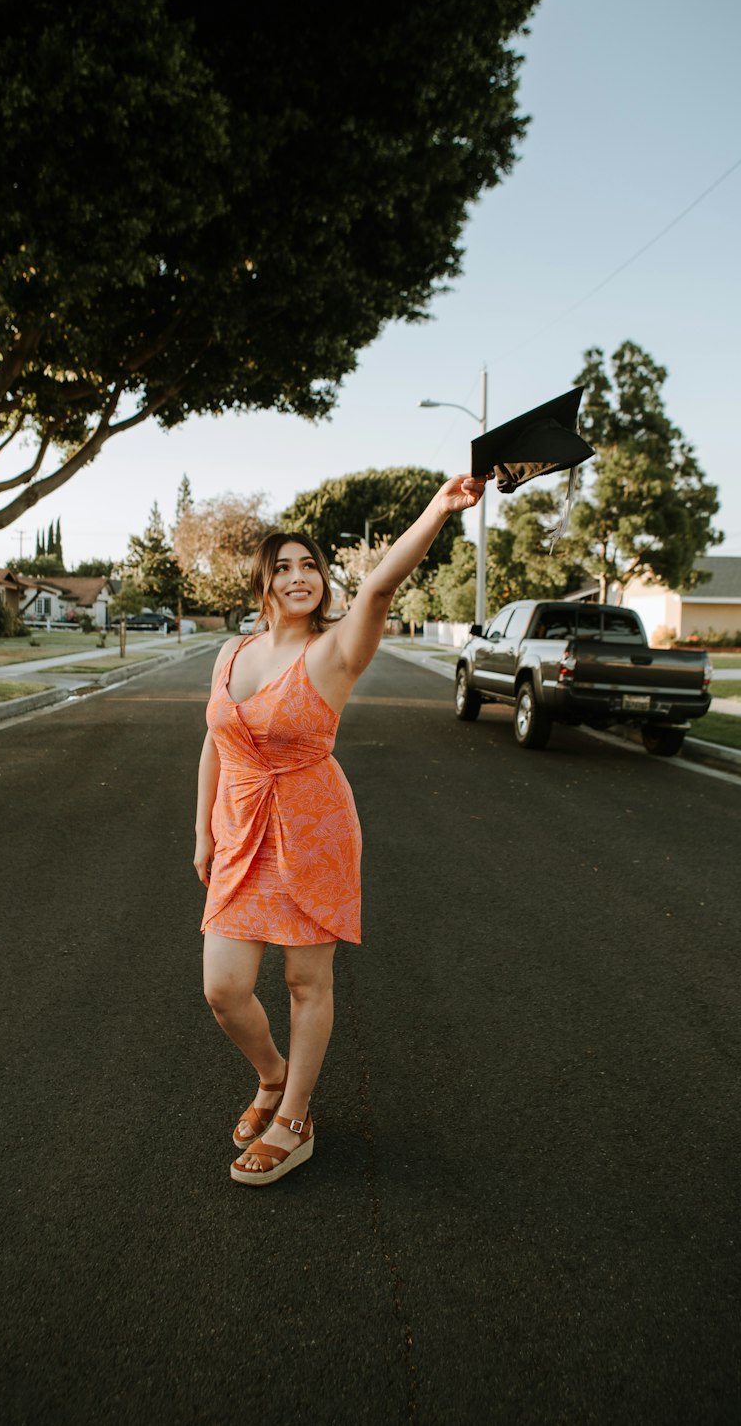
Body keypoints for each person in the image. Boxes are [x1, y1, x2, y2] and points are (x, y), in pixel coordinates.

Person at [194, 473, 490, 1185]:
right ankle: (271, 1075)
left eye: (312, 566)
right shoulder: (231, 654)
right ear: (264, 584)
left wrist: (439, 509)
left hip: (312, 827)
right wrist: (202, 829)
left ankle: (295, 1119)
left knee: (304, 979)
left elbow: (382, 585)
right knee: (224, 990)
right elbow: (215, 739)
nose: (302, 577)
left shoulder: (333, 652)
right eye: (285, 567)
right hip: (240, 831)